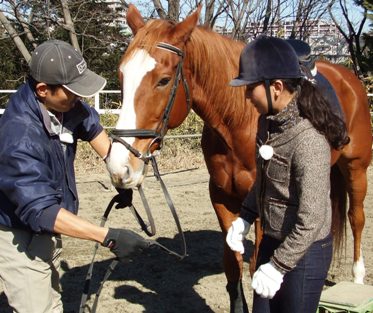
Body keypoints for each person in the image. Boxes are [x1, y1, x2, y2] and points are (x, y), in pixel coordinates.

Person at [0, 40, 149, 313]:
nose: (79, 98)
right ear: (43, 90)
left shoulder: (61, 105)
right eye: (73, 92)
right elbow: (41, 210)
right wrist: (108, 236)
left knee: (52, 300)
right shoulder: (19, 136)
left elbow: (89, 123)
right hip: (19, 235)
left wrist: (116, 171)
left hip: (47, 231)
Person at [226, 36, 349, 313]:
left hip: (305, 253)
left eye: (250, 89)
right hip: (271, 241)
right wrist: (245, 217)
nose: (246, 96)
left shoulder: (309, 142)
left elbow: (311, 220)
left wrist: (278, 266)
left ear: (277, 88)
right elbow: (265, 179)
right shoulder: (267, 124)